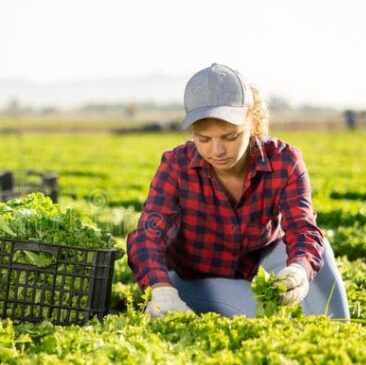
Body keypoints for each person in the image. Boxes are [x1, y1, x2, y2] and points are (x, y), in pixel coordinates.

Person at [127, 63, 350, 319]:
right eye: (204, 139)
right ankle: (183, 296)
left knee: (319, 260)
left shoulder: (284, 161)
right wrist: (160, 289)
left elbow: (303, 228)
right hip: (199, 275)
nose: (217, 151)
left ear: (252, 122)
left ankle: (336, 330)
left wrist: (299, 270)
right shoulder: (177, 166)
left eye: (230, 136)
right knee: (256, 314)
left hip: (261, 261)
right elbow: (147, 235)